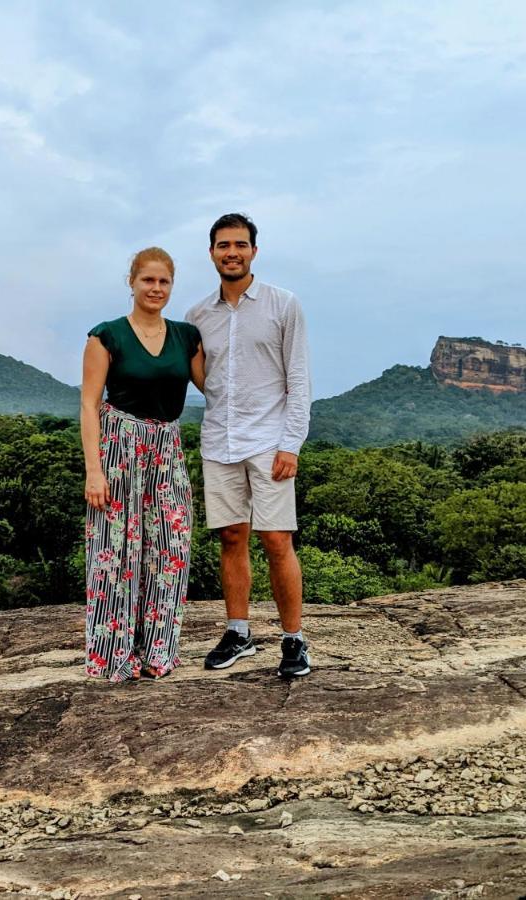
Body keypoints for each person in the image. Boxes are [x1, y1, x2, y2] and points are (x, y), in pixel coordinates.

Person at [185, 213, 312, 679]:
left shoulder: (283, 304)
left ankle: (294, 639)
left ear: (254, 251)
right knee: (230, 537)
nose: (231, 252)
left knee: (277, 539)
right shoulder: (198, 315)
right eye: (223, 245)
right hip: (220, 439)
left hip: (269, 441)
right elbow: (207, 379)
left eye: (240, 244)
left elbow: (298, 378)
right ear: (212, 252)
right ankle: (238, 632)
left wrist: (291, 444)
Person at [80, 247, 204, 683]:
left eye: (164, 282)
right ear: (131, 282)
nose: (155, 289)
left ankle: (158, 653)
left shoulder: (186, 337)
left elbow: (220, 388)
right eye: (147, 280)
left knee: (169, 548)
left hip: (166, 446)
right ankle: (113, 656)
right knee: (117, 550)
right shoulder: (106, 336)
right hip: (119, 446)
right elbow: (89, 405)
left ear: (172, 286)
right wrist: (94, 470)